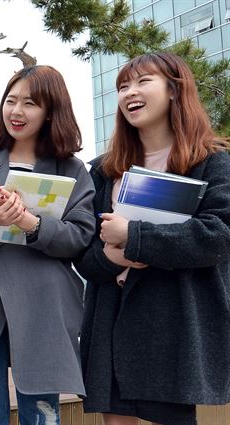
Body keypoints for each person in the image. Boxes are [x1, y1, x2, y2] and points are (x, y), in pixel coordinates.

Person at [75, 52, 230, 425]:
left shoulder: (211, 161)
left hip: (177, 320)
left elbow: (219, 235)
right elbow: (81, 251)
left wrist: (134, 235)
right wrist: (114, 258)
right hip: (112, 318)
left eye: (143, 81)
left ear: (175, 90)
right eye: (123, 86)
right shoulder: (101, 169)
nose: (130, 92)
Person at [0, 65, 96, 425]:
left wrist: (31, 223)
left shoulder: (71, 169)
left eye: (30, 103)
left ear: (52, 111)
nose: (16, 112)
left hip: (43, 303)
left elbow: (80, 237)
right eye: (11, 101)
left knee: (42, 414)